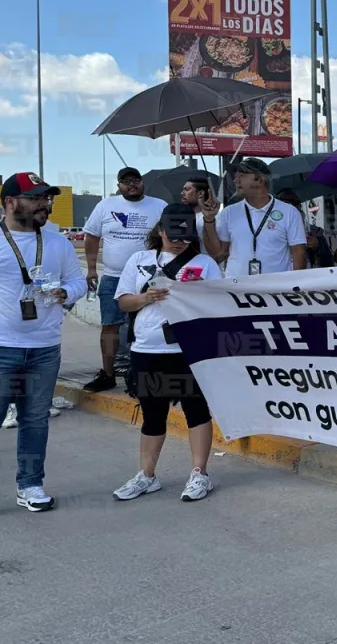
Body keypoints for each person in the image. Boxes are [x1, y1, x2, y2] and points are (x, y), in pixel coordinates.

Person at [0, 172, 86, 516]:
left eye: (46, 198)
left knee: (35, 420)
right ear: (10, 202)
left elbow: (78, 280)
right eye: (35, 198)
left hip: (44, 347)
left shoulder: (58, 242)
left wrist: (66, 292)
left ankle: (30, 484)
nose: (44, 204)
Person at [112, 204, 223, 503]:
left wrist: (201, 291)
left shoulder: (205, 263)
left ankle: (200, 473)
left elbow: (218, 306)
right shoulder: (139, 259)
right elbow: (123, 302)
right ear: (160, 231)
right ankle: (147, 475)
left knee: (195, 410)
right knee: (153, 414)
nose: (179, 242)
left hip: (187, 349)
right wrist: (146, 297)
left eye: (185, 237)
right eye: (173, 235)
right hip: (147, 347)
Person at [82, 168, 169, 393]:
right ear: (118, 185)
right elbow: (92, 237)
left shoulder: (159, 205)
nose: (132, 185)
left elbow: (168, 237)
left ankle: (144, 375)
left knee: (148, 325)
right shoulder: (105, 205)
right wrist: (92, 269)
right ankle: (108, 374)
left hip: (149, 278)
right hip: (112, 277)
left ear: (143, 183)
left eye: (136, 180)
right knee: (110, 326)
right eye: (126, 182)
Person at [201, 157, 307, 277]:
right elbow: (218, 254)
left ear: (259, 180)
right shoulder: (228, 212)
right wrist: (209, 220)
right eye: (236, 176)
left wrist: (296, 285)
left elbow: (299, 251)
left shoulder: (289, 212)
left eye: (241, 176)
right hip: (237, 289)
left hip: (275, 290)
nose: (236, 180)